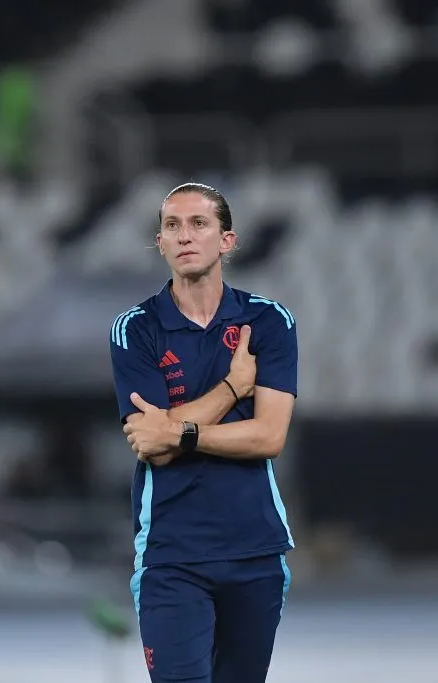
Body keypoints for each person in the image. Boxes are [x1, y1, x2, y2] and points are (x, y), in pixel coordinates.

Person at [109, 183, 297, 683]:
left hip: (254, 547)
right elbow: (152, 447)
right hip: (173, 554)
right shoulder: (136, 329)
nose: (185, 236)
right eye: (173, 226)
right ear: (160, 242)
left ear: (227, 241)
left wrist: (182, 430)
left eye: (199, 224)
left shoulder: (269, 322)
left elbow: (268, 436)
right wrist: (235, 388)